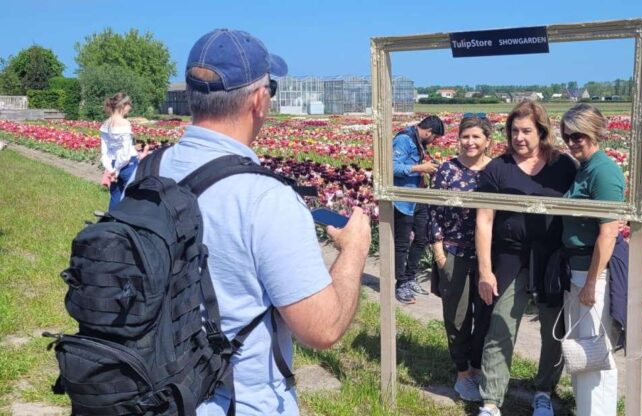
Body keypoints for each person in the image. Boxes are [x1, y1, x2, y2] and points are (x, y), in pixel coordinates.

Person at [142, 29, 371, 415]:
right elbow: (323, 328)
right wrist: (355, 251)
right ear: (259, 100)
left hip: (154, 390)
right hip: (236, 401)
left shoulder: (148, 170)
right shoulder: (265, 198)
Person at [475, 101, 577, 416]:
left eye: (526, 131)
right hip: (509, 255)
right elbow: (484, 220)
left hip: (550, 257)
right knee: (502, 324)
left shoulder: (563, 167)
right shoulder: (498, 168)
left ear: (542, 132)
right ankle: (491, 400)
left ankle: (544, 391)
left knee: (553, 330)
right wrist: (485, 271)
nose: (519, 137)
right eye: (514, 131)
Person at [560, 103, 624, 416]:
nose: (572, 142)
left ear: (595, 133)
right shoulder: (584, 167)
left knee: (595, 351)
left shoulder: (604, 170)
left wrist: (589, 283)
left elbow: (608, 233)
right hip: (577, 270)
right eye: (568, 136)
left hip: (592, 274)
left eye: (578, 136)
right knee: (583, 351)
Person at [428, 115, 494, 402]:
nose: (470, 142)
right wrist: (439, 253)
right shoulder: (447, 171)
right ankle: (462, 372)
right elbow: (434, 212)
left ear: (487, 140)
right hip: (454, 252)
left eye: (476, 137)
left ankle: (478, 367)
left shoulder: (496, 171)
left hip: (488, 256)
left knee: (486, 315)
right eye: (465, 136)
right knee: (457, 316)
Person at [393, 114, 444, 304]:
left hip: (418, 197)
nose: (434, 141)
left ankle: (410, 276)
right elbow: (393, 167)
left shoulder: (419, 142)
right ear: (429, 132)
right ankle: (400, 284)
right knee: (402, 244)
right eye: (435, 137)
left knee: (422, 238)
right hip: (404, 199)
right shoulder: (404, 140)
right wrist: (420, 168)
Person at [100, 93, 137, 210]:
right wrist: (117, 169)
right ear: (123, 105)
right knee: (134, 197)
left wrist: (111, 170)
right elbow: (125, 154)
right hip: (128, 165)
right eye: (129, 104)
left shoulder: (105, 124)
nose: (130, 108)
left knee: (115, 196)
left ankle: (111, 223)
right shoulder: (125, 123)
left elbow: (104, 151)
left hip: (112, 163)